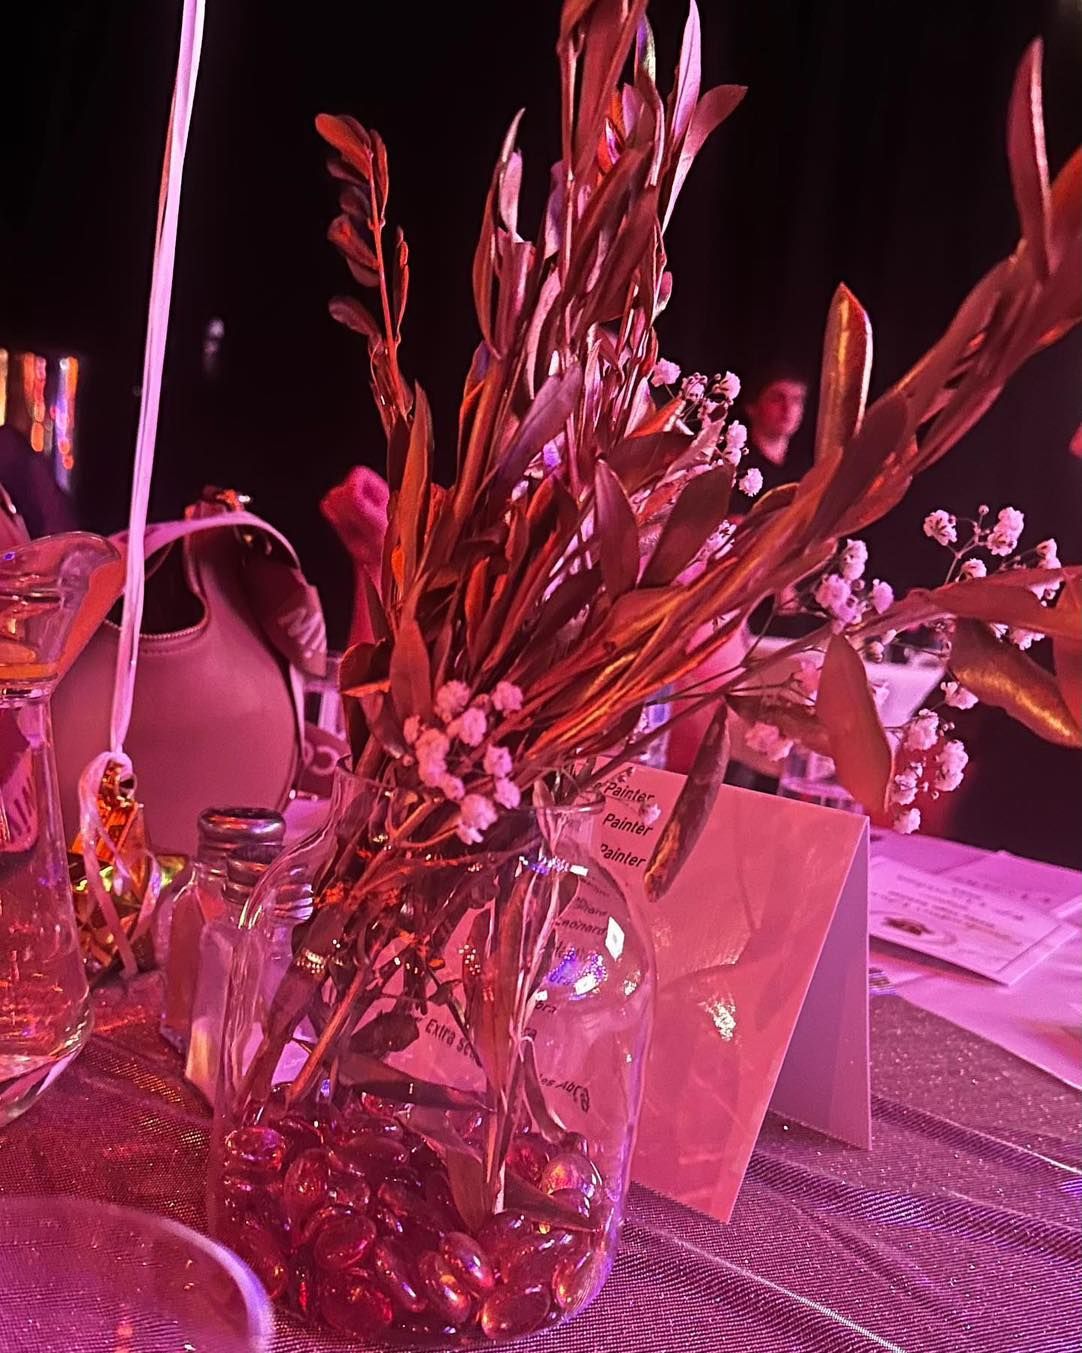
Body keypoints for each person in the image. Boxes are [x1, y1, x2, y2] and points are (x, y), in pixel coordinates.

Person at [739, 363, 810, 495]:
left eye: (796, 400)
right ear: (751, 407)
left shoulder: (807, 468)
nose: (788, 408)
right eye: (777, 399)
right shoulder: (737, 466)